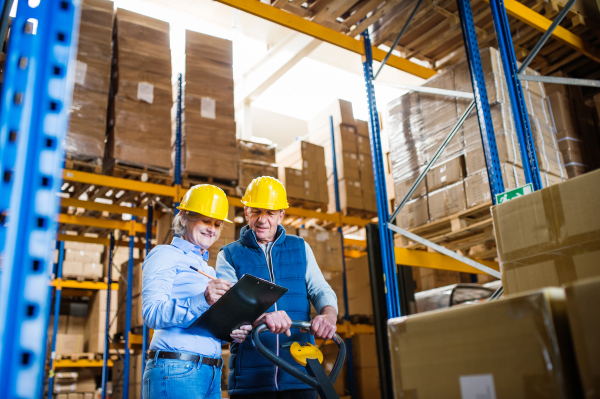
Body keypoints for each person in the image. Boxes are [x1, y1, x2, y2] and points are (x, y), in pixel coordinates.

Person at [216, 176, 338, 399]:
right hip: (250, 381)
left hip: (301, 374)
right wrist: (260, 318)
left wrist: (328, 315)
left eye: (270, 213)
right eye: (256, 211)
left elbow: (320, 289)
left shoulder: (300, 247)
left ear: (281, 215)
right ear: (246, 212)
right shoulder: (229, 254)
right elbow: (229, 308)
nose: (262, 220)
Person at [141, 184, 252, 399]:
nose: (212, 228)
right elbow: (152, 313)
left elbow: (203, 326)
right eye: (205, 220)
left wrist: (231, 332)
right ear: (183, 217)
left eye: (217, 223)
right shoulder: (164, 254)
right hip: (175, 368)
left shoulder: (207, 269)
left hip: (210, 372)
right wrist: (203, 299)